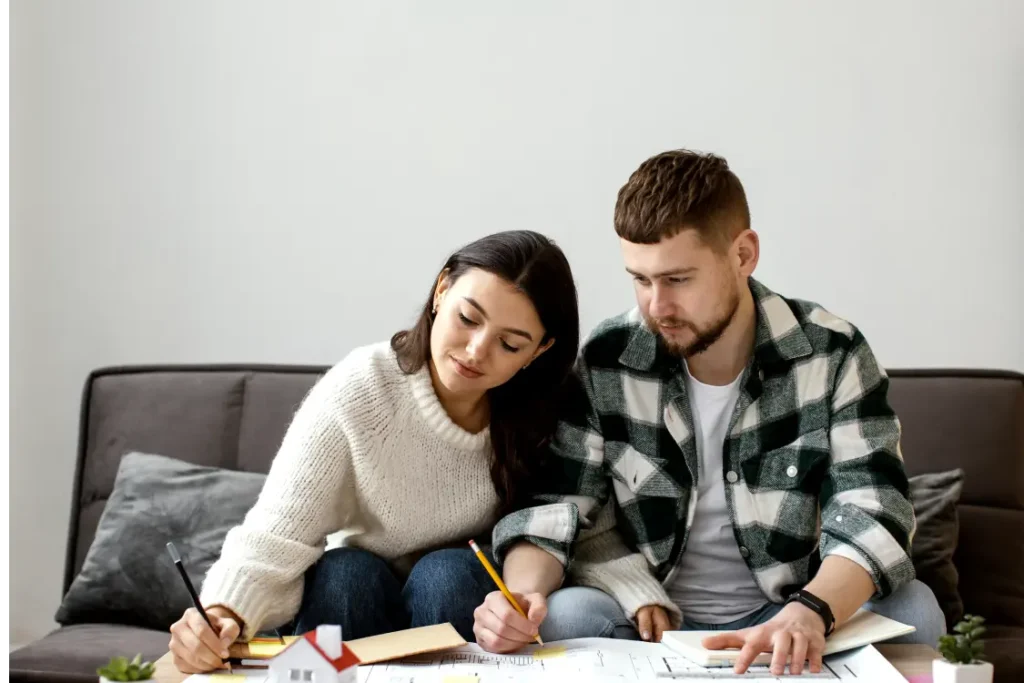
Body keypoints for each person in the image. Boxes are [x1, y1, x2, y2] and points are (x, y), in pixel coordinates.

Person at [475, 150, 946, 675]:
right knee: (564, 616)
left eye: (677, 280)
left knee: (916, 611)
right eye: (640, 279)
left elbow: (874, 507)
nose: (656, 307)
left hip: (790, 607)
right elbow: (559, 505)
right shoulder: (610, 357)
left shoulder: (832, 353)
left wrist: (811, 611)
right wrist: (517, 600)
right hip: (652, 617)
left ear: (743, 255)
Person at [168, 230, 581, 674]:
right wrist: (223, 615)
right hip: (356, 592)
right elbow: (277, 530)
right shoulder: (361, 389)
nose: (476, 350)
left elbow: (579, 519)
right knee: (345, 572)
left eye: (509, 344)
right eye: (468, 318)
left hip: (464, 595)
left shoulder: (548, 413)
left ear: (539, 351)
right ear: (442, 289)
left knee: (444, 573)